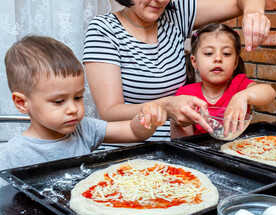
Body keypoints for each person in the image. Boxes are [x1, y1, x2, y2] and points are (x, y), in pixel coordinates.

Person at [83, 0, 271, 141]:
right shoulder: (104, 30)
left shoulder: (176, 14)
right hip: (132, 147)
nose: (158, 0)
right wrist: (165, 106)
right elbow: (110, 111)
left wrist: (254, 12)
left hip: (180, 147)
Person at [0, 35, 166, 187]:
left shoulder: (84, 129)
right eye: (59, 101)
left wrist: (146, 119)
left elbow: (133, 132)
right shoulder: (11, 155)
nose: (73, 109)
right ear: (22, 103)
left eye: (78, 97)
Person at [171, 23, 275, 138]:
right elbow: (184, 140)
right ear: (194, 61)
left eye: (226, 54)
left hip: (236, 150)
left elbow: (269, 92)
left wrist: (242, 96)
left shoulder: (238, 85)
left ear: (235, 62)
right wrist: (177, 123)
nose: (218, 58)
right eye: (209, 53)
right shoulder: (186, 94)